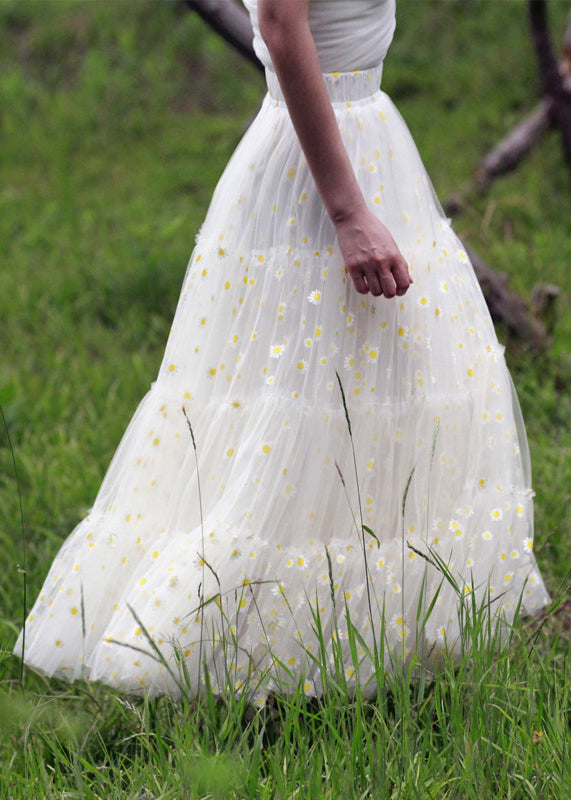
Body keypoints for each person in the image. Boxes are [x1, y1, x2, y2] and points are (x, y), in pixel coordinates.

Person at [15, 0, 549, 704]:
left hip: (368, 129)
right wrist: (348, 212)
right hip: (321, 162)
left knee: (378, 388)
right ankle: (253, 640)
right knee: (299, 403)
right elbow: (277, 22)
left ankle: (382, 630)